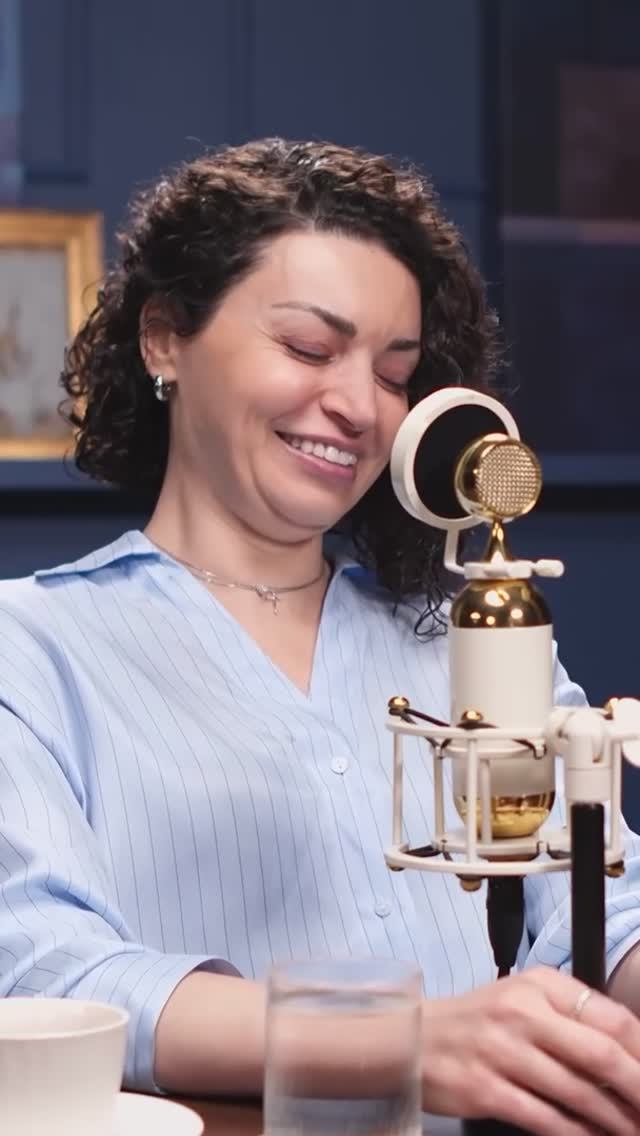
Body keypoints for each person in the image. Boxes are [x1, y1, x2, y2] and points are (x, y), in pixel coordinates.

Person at [1, 137, 640, 1136]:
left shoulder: (461, 627)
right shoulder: (34, 646)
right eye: (307, 348)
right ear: (164, 338)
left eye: (394, 372)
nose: (356, 406)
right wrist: (400, 1041)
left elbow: (602, 898)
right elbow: (48, 970)